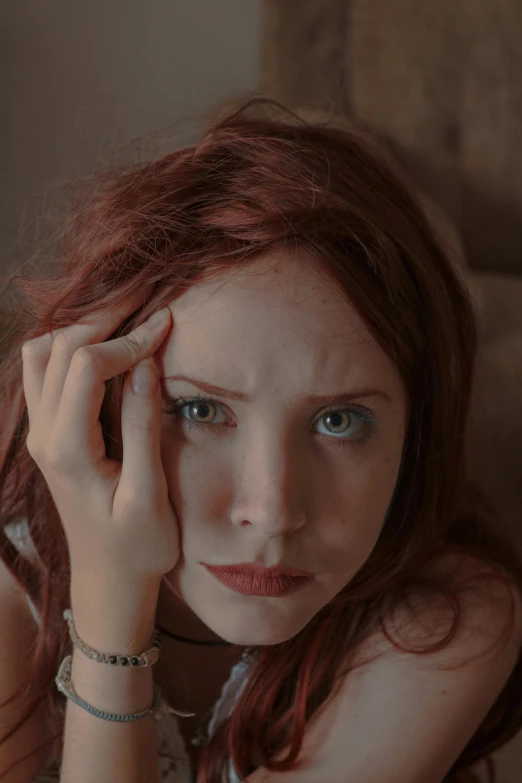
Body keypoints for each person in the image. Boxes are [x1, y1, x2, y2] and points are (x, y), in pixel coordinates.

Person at [0, 96, 521, 783]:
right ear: (95, 402)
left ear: (413, 434)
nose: (272, 510)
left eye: (340, 421)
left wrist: (110, 636)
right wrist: (108, 587)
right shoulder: (15, 579)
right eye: (199, 410)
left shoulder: (450, 619)